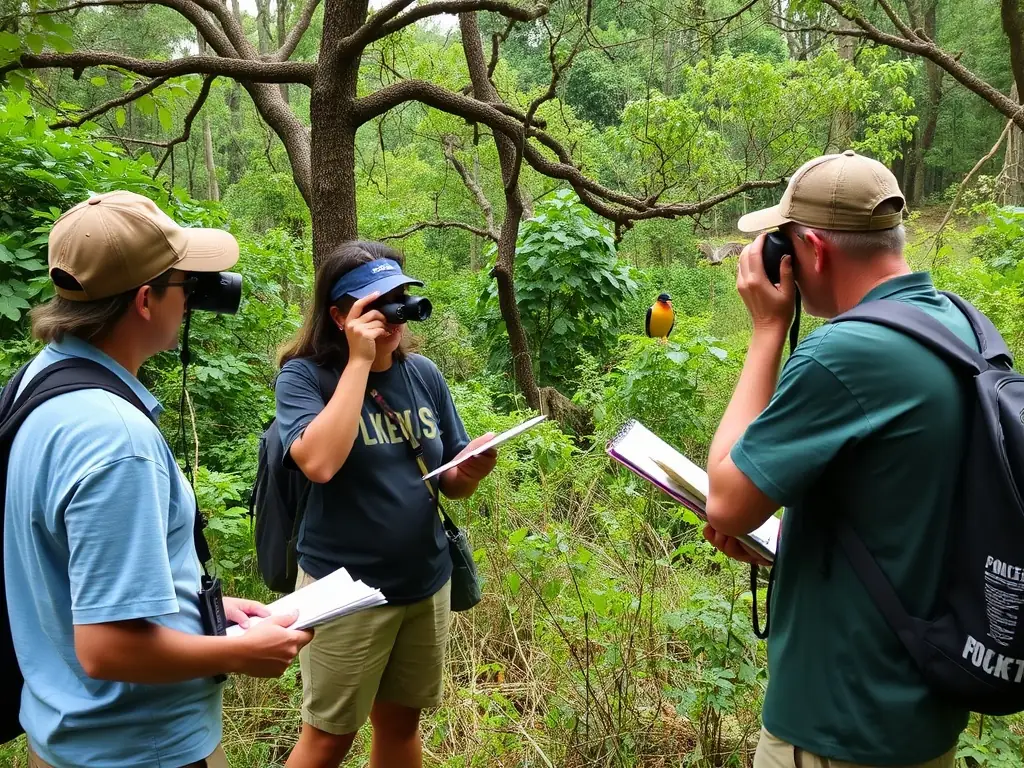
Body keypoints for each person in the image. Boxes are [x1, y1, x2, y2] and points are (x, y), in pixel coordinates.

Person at [4, 191, 313, 768]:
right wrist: (239, 653)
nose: (194, 299)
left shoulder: (38, 383)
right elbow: (108, 647)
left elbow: (81, 583)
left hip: (66, 731)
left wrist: (206, 612)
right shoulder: (115, 438)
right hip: (140, 748)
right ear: (146, 300)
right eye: (186, 284)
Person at [703, 151, 970, 768]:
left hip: (835, 725)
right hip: (922, 716)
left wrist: (768, 330)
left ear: (814, 251)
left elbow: (725, 500)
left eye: (782, 243)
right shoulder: (957, 327)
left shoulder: (845, 355)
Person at [275, 241, 498, 768]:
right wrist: (359, 361)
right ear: (338, 314)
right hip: (343, 590)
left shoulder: (422, 375)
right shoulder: (305, 377)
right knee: (328, 738)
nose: (393, 317)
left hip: (424, 582)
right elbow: (320, 463)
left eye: (400, 300)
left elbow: (448, 485)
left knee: (401, 726)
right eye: (376, 304)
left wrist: (469, 471)